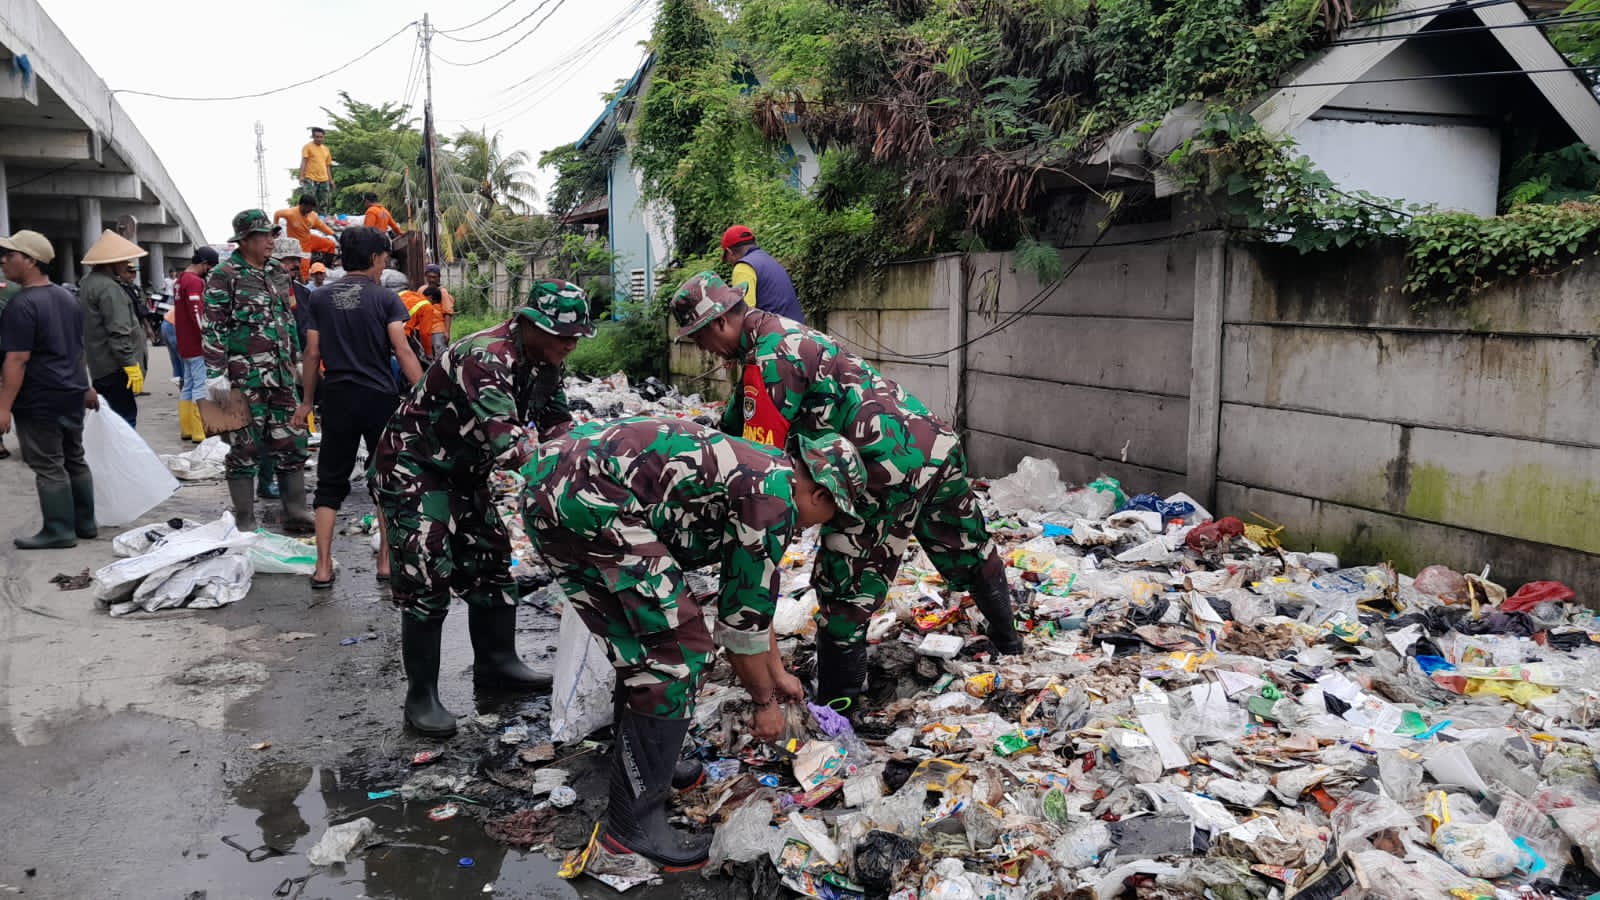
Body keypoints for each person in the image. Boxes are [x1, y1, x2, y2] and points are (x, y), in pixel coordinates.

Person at [671, 272, 1025, 711]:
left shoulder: (769, 358)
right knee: (967, 545)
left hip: (881, 471)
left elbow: (759, 465)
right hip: (932, 446)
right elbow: (734, 425)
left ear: (719, 322)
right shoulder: (777, 336)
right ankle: (1010, 645)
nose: (703, 350)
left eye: (700, 338)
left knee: (844, 589)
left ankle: (841, 708)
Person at [522, 418, 860, 869]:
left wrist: (778, 675)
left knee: (647, 643)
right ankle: (631, 827)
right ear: (820, 495)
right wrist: (764, 705)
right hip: (588, 499)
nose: (815, 529)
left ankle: (642, 768)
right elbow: (739, 633)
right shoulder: (772, 502)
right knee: (678, 653)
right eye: (830, 517)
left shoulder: (771, 475)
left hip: (554, 485)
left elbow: (750, 602)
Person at [371, 279, 595, 738]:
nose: (569, 346)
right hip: (416, 467)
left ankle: (497, 665)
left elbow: (556, 425)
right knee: (427, 576)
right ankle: (421, 697)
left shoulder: (545, 360)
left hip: (465, 471)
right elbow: (513, 446)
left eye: (576, 338)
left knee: (491, 562)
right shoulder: (487, 357)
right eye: (562, 336)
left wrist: (583, 467)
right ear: (531, 324)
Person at [292, 227, 423, 590]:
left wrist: (306, 402)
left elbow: (312, 354)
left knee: (330, 482)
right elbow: (403, 350)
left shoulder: (319, 299)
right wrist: (426, 392)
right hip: (379, 398)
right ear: (372, 259)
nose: (384, 266)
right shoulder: (386, 299)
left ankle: (322, 568)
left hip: (336, 396)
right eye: (383, 259)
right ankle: (385, 563)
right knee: (385, 479)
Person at [202, 209, 314, 535]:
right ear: (247, 239)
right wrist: (215, 374)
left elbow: (287, 318)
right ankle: (245, 520)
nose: (271, 241)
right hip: (241, 380)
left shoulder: (277, 271)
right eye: (265, 236)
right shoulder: (225, 274)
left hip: (280, 376)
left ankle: (295, 512)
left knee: (292, 443)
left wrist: (295, 359)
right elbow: (213, 327)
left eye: (271, 235)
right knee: (243, 449)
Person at [0, 230, 98, 549]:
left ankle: (58, 530)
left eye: (10, 255)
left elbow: (17, 359)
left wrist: (3, 407)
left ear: (30, 261)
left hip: (39, 398)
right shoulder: (66, 298)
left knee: (48, 464)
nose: (3, 261)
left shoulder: (21, 305)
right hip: (70, 392)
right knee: (74, 458)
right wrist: (86, 387)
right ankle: (85, 523)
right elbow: (76, 349)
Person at [77, 230, 149, 427]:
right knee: (124, 421)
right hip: (115, 367)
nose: (127, 265)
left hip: (100, 366)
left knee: (108, 420)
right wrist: (130, 365)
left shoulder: (88, 283)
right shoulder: (109, 288)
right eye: (123, 261)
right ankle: (124, 458)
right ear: (111, 263)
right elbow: (118, 332)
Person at [172, 247, 219, 443]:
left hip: (184, 342)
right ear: (204, 263)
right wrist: (207, 337)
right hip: (196, 343)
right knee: (200, 384)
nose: (210, 270)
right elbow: (196, 311)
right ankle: (200, 431)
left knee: (189, 384)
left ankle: (187, 429)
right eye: (210, 266)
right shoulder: (194, 281)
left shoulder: (180, 279)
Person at [721, 225, 802, 322]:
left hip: (776, 333)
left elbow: (744, 314)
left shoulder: (743, 267)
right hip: (798, 330)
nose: (729, 264)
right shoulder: (769, 260)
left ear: (729, 252)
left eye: (727, 259)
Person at [273, 196, 338, 270]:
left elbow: (321, 226)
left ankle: (327, 267)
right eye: (309, 208)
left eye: (312, 209)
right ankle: (305, 278)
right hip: (297, 244)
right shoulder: (291, 213)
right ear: (302, 205)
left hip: (309, 239)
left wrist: (333, 234)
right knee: (304, 268)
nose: (310, 211)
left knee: (330, 245)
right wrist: (276, 228)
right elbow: (277, 213)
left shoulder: (313, 215)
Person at [399, 287, 447, 364]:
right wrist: (429, 354)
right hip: (401, 333)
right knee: (412, 360)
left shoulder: (405, 293)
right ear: (431, 298)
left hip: (384, 326)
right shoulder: (427, 306)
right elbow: (425, 333)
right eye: (433, 303)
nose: (432, 305)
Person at [298, 126, 334, 211]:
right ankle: (309, 218)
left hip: (324, 179)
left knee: (324, 202)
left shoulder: (326, 149)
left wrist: (331, 180)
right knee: (310, 201)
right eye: (317, 137)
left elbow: (327, 165)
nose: (319, 139)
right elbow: (304, 161)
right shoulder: (307, 147)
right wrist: (301, 176)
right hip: (310, 178)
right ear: (313, 137)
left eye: (321, 137)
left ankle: (322, 219)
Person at [422, 264, 454, 338]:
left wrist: (447, 332)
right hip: (423, 331)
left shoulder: (443, 292)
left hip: (437, 332)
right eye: (429, 277)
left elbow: (448, 313)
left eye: (434, 277)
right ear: (426, 276)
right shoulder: (421, 290)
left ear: (438, 278)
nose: (431, 280)